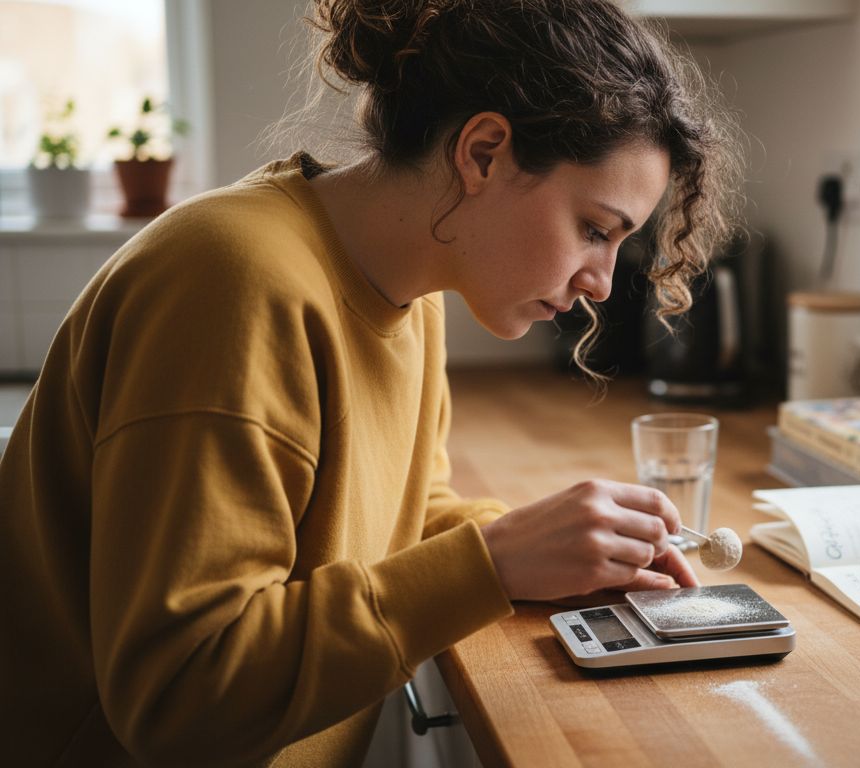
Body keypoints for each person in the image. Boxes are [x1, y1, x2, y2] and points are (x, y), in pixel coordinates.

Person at [0, 1, 741, 765]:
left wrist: (553, 553)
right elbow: (180, 697)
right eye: (594, 228)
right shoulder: (231, 281)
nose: (600, 283)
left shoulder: (406, 291)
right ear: (483, 152)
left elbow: (405, 512)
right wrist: (493, 562)